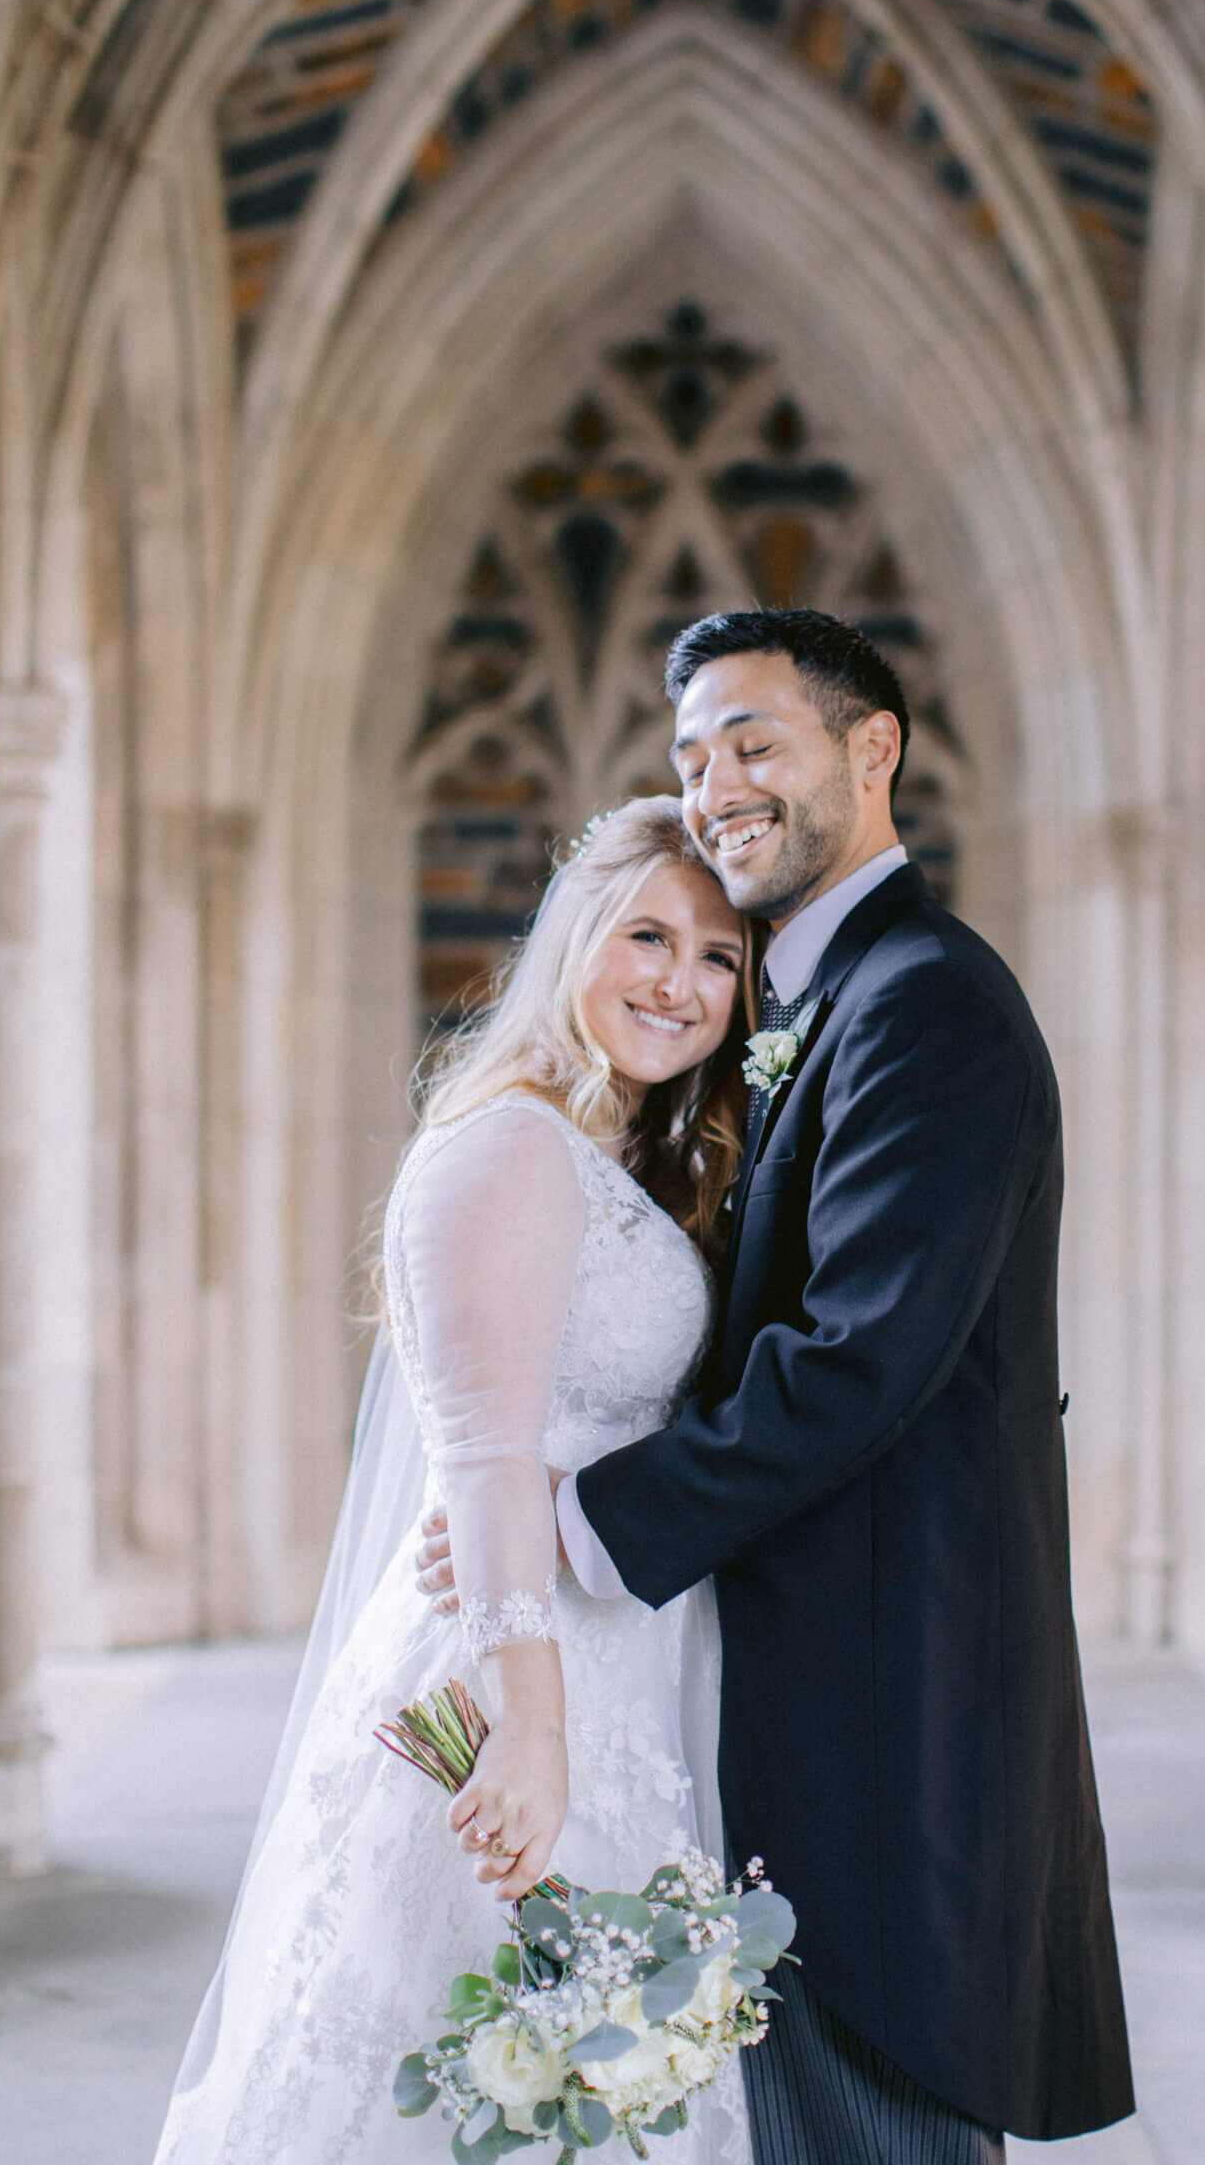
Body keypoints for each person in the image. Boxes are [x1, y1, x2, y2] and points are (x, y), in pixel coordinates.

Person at [420, 609, 1136, 2162]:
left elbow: (860, 1358)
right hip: (795, 1682)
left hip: (894, 1697)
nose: (713, 781)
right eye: (691, 753)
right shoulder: (810, 1007)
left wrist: (576, 1515)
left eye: (754, 741)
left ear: (872, 752)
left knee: (872, 2128)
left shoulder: (924, 1002)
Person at [153, 797, 760, 2165]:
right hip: (517, 1683)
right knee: (496, 2074)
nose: (681, 983)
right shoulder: (506, 1149)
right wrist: (530, 1738)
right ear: (572, 941)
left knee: (603, 2093)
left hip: (624, 1664)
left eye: (720, 959)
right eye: (648, 936)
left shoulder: (610, 1153)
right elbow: (485, 1467)